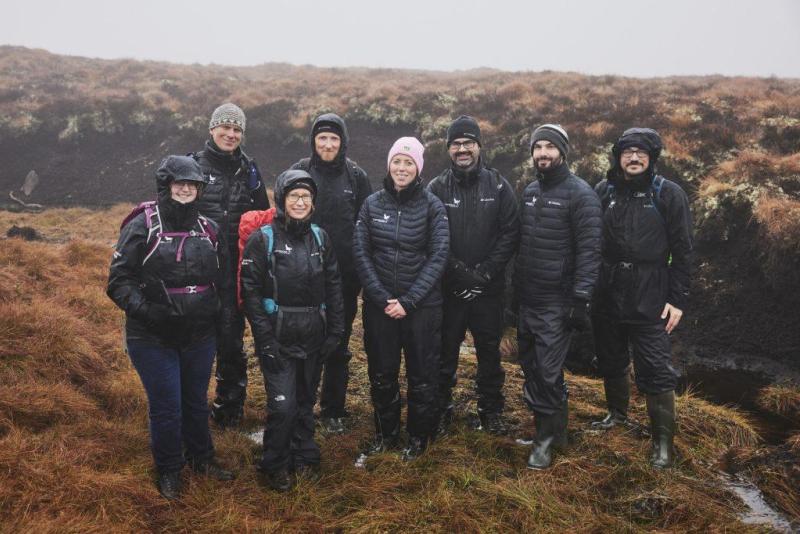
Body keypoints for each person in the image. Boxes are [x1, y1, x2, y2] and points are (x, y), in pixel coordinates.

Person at [107, 155, 234, 500]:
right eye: (180, 183)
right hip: (152, 337)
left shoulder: (210, 229)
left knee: (196, 401)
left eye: (192, 184)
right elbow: (118, 282)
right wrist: (150, 313)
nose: (186, 189)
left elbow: (223, 281)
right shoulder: (142, 225)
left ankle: (201, 458)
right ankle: (169, 469)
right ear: (166, 185)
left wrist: (223, 321)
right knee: (167, 406)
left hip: (200, 335)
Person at [591, 128, 693, 469]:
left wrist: (677, 299)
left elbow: (683, 251)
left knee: (655, 368)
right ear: (618, 157)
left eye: (641, 153)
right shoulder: (603, 191)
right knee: (610, 357)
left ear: (652, 157)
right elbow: (590, 242)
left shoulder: (668, 194)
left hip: (651, 292)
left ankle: (662, 444)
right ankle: (617, 416)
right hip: (607, 290)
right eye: (627, 152)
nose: (633, 158)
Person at [240, 169, 345, 491]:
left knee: (305, 401)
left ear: (313, 202)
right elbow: (250, 293)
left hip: (314, 335)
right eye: (294, 196)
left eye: (306, 196)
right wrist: (265, 340)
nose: (300, 202)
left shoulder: (320, 238)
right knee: (283, 406)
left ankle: (304, 457)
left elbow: (334, 285)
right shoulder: (263, 239)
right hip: (278, 338)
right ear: (282, 200)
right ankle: (274, 464)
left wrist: (335, 332)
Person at [353, 137, 449, 460]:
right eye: (397, 161)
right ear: (389, 164)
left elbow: (438, 256)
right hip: (380, 307)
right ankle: (386, 435)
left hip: (422, 308)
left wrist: (409, 301)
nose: (402, 168)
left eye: (409, 163)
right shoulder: (371, 204)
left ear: (418, 168)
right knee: (382, 375)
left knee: (423, 377)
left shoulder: (433, 207)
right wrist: (382, 298)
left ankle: (419, 439)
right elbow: (361, 253)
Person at [515, 124, 602, 469]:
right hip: (529, 298)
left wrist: (580, 299)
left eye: (550, 147)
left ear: (563, 152)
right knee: (531, 366)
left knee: (547, 372)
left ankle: (544, 442)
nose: (543, 153)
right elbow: (523, 244)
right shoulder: (530, 191)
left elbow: (590, 251)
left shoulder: (581, 195)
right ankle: (556, 432)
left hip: (557, 300)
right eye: (538, 147)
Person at [427, 116, 519, 435]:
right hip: (449, 290)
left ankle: (490, 410)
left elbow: (510, 233)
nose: (462, 149)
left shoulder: (499, 185)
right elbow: (431, 237)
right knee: (444, 352)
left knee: (489, 354)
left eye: (468, 143)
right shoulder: (436, 188)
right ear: (448, 149)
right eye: (456, 144)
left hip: (488, 291)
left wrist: (484, 275)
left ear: (479, 146)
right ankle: (441, 409)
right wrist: (458, 275)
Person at [289, 113, 371, 434]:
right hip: (303, 277)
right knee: (304, 344)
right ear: (313, 141)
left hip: (345, 281)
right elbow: (284, 219)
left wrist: (362, 276)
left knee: (338, 343)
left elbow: (366, 227)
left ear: (343, 142)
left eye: (333, 138)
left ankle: (333, 409)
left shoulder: (357, 177)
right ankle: (300, 406)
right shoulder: (299, 172)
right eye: (321, 138)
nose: (327, 144)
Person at [194, 103, 271, 428]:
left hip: (235, 273)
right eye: (225, 127)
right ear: (212, 129)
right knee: (194, 343)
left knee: (230, 344)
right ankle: (191, 406)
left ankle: (228, 411)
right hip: (197, 273)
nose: (231, 134)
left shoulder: (249, 170)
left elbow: (263, 219)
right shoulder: (193, 166)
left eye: (237, 129)